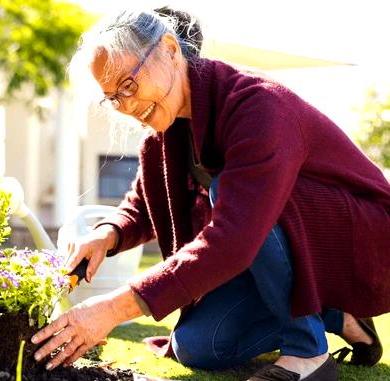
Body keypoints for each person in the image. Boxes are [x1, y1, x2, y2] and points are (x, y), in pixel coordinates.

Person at [31, 7, 390, 381]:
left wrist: (111, 309)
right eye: (112, 98)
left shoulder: (258, 106)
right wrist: (108, 234)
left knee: (232, 193)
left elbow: (234, 237)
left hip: (365, 242)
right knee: (199, 345)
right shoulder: (164, 132)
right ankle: (334, 312)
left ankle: (308, 354)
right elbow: (142, 204)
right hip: (283, 252)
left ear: (170, 49)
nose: (126, 105)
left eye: (128, 85)